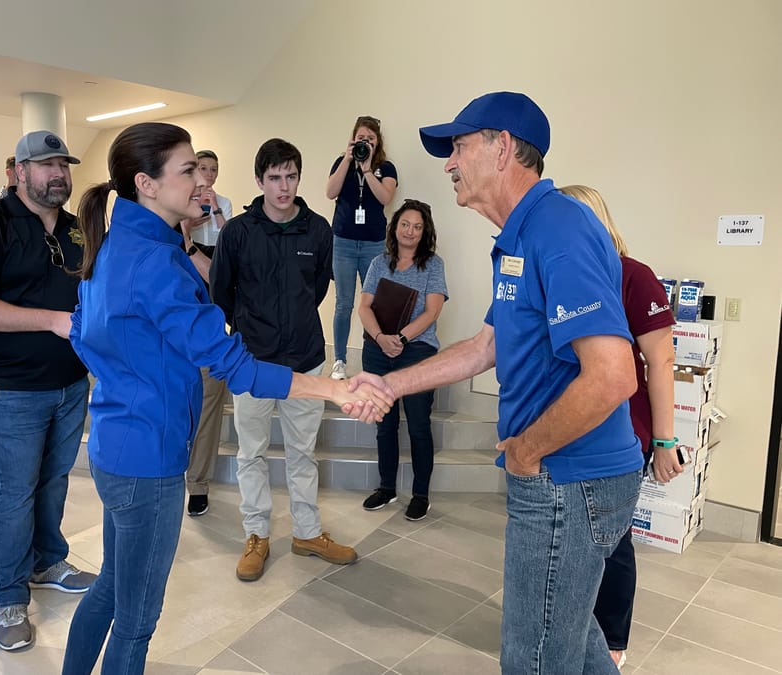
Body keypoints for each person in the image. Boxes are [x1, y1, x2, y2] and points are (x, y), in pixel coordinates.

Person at [61, 122, 389, 675]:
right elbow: (232, 364)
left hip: (118, 447)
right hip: (149, 460)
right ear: (146, 183)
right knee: (136, 620)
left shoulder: (121, 244)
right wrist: (334, 388)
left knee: (112, 590)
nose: (202, 181)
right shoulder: (156, 263)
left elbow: (84, 332)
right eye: (188, 170)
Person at [348, 91, 643, 673]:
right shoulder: (518, 238)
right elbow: (485, 347)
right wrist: (391, 385)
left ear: (502, 148)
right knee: (574, 638)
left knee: (533, 658)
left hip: (567, 479)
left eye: (458, 146)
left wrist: (529, 450)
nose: (449, 162)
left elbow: (613, 375)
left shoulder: (558, 227)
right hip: (565, 477)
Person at [0, 130, 97, 652]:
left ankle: (47, 561)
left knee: (54, 481)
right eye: (47, 164)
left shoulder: (79, 230)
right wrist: (53, 321)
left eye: (64, 164)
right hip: (11, 387)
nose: (58, 173)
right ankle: (9, 597)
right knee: (13, 494)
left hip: (70, 382)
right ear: (19, 172)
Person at [211, 138, 359, 583]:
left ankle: (307, 532)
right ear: (259, 181)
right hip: (252, 364)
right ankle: (256, 534)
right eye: (274, 177)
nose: (283, 186)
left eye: (290, 176)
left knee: (302, 453)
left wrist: (290, 323)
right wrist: (250, 329)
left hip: (305, 362)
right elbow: (222, 293)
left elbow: (315, 290)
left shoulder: (318, 230)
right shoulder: (237, 232)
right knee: (251, 453)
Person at [560, 184, 682, 670]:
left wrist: (666, 441)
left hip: (620, 434)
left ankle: (610, 638)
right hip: (567, 431)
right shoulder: (561, 278)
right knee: (567, 540)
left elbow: (662, 359)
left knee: (611, 542)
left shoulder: (633, 277)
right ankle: (570, 627)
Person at [358, 199, 448, 521]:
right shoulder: (379, 263)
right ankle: (386, 487)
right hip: (378, 349)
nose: (410, 231)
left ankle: (420, 494)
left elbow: (433, 310)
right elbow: (364, 307)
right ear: (395, 227)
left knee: (419, 425)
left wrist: (402, 339)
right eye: (405, 224)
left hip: (417, 350)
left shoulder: (433, 265)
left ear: (425, 233)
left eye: (417, 226)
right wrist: (382, 339)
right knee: (385, 424)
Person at [325, 115, 398, 380]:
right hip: (343, 242)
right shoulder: (341, 162)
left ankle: (374, 359)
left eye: (370, 138)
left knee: (375, 305)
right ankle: (340, 361)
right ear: (352, 139)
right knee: (343, 303)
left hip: (373, 244)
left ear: (377, 142)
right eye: (360, 138)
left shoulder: (386, 168)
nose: (365, 143)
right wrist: (347, 159)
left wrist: (367, 170)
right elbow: (330, 192)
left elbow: (385, 198)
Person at [183, 150, 234, 516]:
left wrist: (213, 209)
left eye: (211, 172)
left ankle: (197, 482)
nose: (205, 180)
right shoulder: (171, 211)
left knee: (208, 403)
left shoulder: (222, 206)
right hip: (174, 324)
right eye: (199, 172)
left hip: (211, 320)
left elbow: (221, 272)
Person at [188, 150, 233, 246]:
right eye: (203, 168)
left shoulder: (225, 202)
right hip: (192, 253)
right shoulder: (186, 200)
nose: (209, 174)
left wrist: (216, 207)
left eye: (213, 169)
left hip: (219, 253)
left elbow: (228, 235)